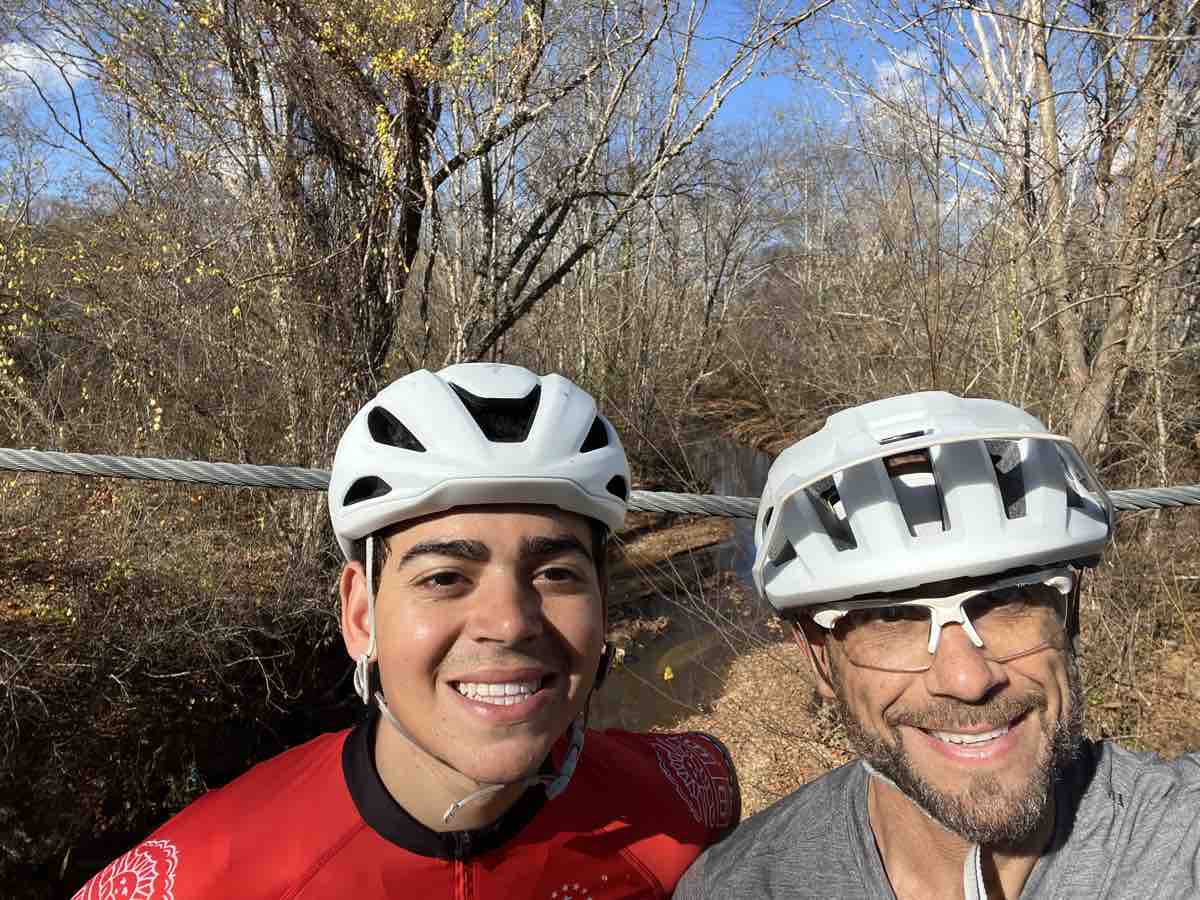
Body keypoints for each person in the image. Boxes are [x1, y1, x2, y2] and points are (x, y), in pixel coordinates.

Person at [76, 363, 739, 899]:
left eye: (557, 574)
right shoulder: (194, 881)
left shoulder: (690, 798)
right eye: (445, 577)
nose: (508, 622)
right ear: (361, 615)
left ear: (603, 608)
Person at [675, 391, 1200, 900]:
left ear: (1069, 615)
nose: (968, 680)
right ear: (818, 657)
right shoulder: (742, 885)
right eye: (890, 617)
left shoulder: (1180, 838)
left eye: (1009, 599)